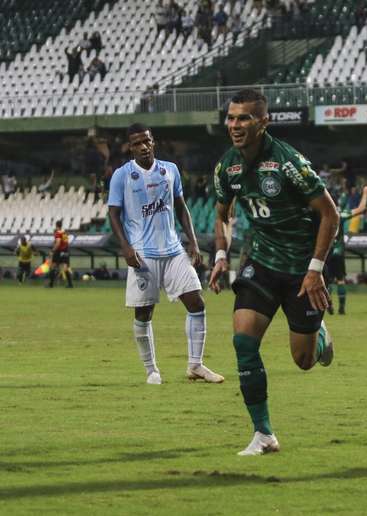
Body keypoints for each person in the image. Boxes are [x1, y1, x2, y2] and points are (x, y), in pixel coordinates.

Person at [208, 89, 340, 457]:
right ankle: (263, 434)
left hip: (302, 270)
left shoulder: (288, 162)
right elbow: (223, 214)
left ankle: (319, 338)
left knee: (303, 361)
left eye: (244, 118)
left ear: (263, 122)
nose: (235, 125)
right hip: (262, 262)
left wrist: (315, 270)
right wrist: (221, 255)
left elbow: (330, 215)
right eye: (231, 118)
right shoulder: (227, 167)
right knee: (243, 342)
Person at [108, 123, 223, 386]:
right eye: (137, 143)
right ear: (130, 147)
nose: (143, 146)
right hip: (142, 255)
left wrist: (192, 242)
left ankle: (196, 365)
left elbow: (181, 207)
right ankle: (151, 370)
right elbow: (113, 214)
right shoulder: (122, 176)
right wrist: (125, 247)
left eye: (147, 141)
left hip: (173, 251)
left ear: (153, 142)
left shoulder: (169, 170)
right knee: (144, 313)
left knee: (197, 303)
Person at [326, 186, 367, 315]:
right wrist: (366, 193)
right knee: (340, 280)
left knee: (327, 282)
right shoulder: (340, 215)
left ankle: (329, 304)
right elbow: (361, 209)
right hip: (339, 252)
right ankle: (342, 308)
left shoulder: (321, 216)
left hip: (327, 252)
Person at [48, 219, 73, 288]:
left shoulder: (58, 233)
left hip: (59, 251)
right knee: (65, 268)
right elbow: (66, 242)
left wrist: (53, 250)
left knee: (52, 266)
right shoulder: (64, 232)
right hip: (66, 251)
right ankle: (70, 284)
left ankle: (51, 284)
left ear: (56, 225)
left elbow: (58, 243)